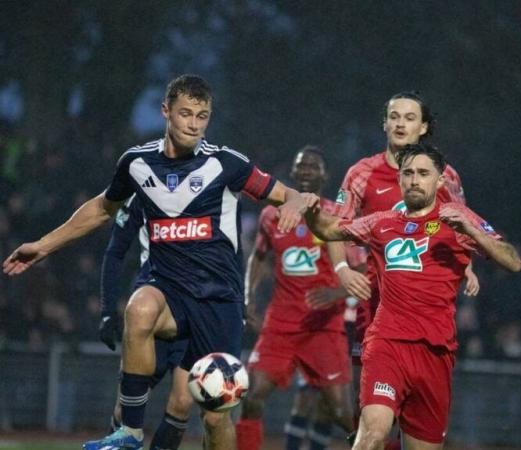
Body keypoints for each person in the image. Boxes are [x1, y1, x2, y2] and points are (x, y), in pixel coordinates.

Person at [3, 74, 311, 450]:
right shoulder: (136, 163)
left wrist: (295, 200)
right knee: (140, 308)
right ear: (165, 111)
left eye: (202, 116)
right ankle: (129, 433)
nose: (194, 124)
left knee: (215, 416)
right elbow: (102, 208)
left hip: (218, 302)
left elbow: (284, 193)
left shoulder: (226, 163)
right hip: (169, 293)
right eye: (186, 114)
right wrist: (43, 245)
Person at [303, 143, 521, 450]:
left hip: (435, 350)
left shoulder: (457, 217)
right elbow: (330, 230)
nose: (414, 180)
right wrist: (311, 213)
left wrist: (474, 234)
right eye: (407, 173)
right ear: (399, 179)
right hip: (387, 344)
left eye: (423, 173)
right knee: (372, 434)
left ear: (440, 181)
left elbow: (513, 261)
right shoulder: (381, 222)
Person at [323, 92, 478, 446]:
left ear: (423, 127)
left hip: (425, 314)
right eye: (394, 116)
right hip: (375, 306)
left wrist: (466, 266)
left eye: (409, 118)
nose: (400, 124)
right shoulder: (361, 172)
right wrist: (344, 268)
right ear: (385, 123)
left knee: (407, 421)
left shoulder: (445, 175)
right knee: (372, 417)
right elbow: (336, 224)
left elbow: (462, 226)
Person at [236, 147, 354, 450]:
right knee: (251, 398)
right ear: (292, 172)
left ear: (325, 176)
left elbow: (365, 266)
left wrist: (338, 291)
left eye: (313, 167)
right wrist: (248, 297)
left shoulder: (335, 216)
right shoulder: (270, 214)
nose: (306, 171)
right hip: (281, 324)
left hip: (323, 326)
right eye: (301, 166)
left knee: (343, 415)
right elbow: (259, 257)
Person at [100, 193, 192, 450]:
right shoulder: (141, 193)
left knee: (183, 402)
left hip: (195, 312)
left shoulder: (211, 186)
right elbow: (115, 251)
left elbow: (232, 247)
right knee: (125, 407)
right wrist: (108, 309)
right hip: (152, 311)